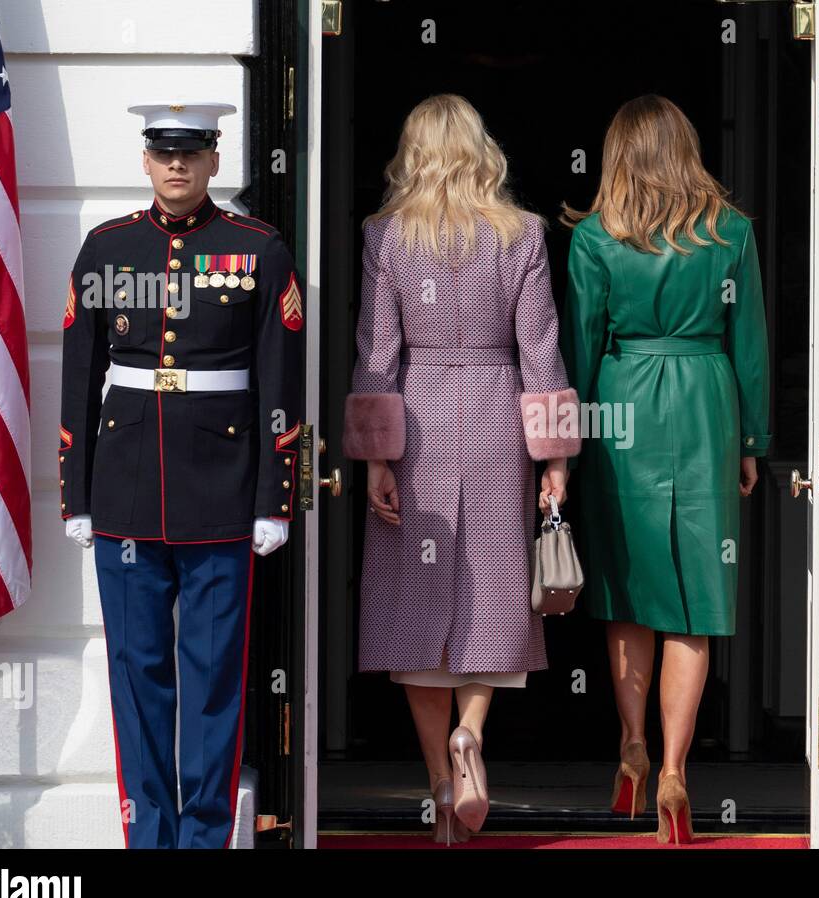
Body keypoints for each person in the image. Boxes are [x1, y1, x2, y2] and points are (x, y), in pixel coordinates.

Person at [59, 102, 304, 847]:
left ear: (213, 161)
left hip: (221, 489)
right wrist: (77, 488)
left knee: (210, 680)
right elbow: (80, 373)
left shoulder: (257, 250)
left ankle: (202, 837)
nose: (176, 165)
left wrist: (276, 496)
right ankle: (148, 835)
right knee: (137, 675)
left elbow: (279, 381)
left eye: (191, 153)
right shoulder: (108, 250)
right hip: (126, 488)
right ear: (145, 160)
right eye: (163, 152)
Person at [341, 94, 581, 844]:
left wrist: (377, 454)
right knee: (491, 588)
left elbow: (376, 351)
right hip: (496, 413)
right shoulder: (523, 234)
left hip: (415, 417)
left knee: (413, 604)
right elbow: (540, 344)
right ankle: (471, 731)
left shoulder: (385, 234)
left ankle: (442, 791)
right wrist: (555, 456)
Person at [560, 94, 771, 845]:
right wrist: (751, 440)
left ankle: (633, 747)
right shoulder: (732, 234)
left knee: (628, 590)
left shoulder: (594, 239)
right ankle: (678, 768)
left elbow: (580, 348)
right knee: (695, 598)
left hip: (623, 407)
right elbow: (749, 344)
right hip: (707, 404)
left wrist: (569, 444)